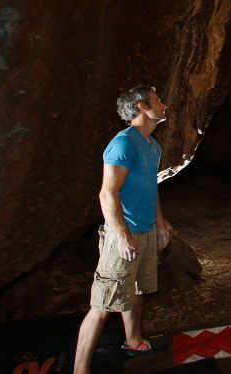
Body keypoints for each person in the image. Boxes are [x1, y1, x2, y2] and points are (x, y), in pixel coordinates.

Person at [74, 86, 174, 373]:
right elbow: (108, 193)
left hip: (144, 230)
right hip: (124, 234)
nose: (164, 104)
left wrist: (161, 223)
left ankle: (134, 342)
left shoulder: (152, 145)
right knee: (103, 304)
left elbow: (150, 187)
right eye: (158, 101)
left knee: (137, 290)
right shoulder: (124, 144)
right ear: (143, 107)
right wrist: (121, 235)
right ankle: (80, 370)